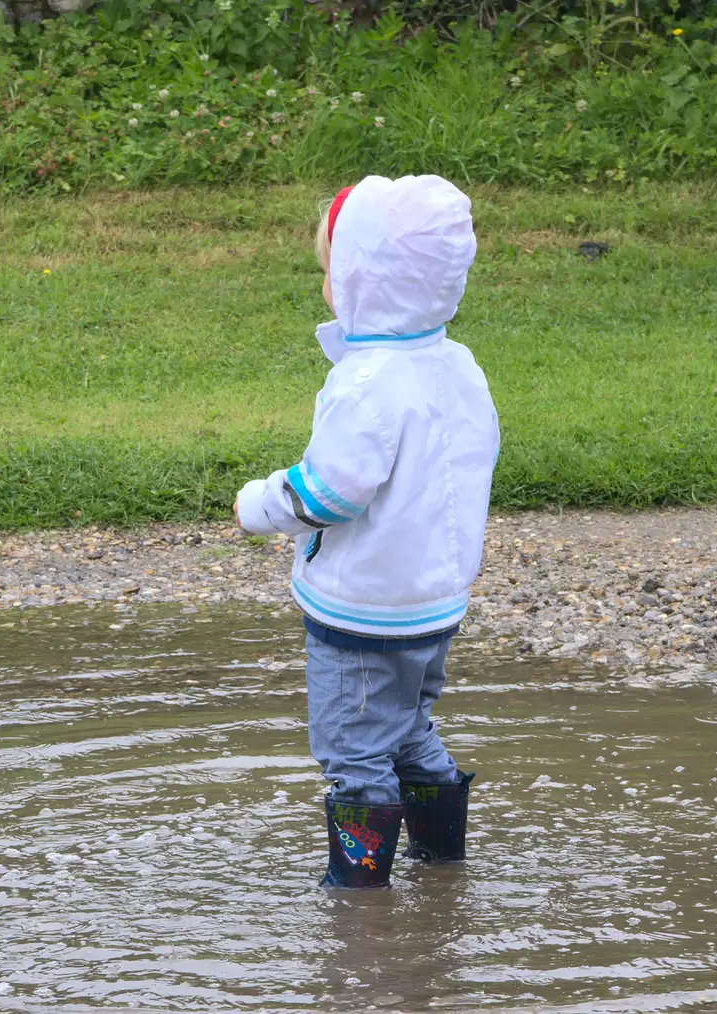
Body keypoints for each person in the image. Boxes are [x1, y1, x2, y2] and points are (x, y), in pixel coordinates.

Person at [234, 174, 499, 889]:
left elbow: (327, 492)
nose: (326, 283)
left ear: (359, 278)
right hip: (432, 604)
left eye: (330, 269)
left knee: (354, 751)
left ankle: (360, 905)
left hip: (361, 613)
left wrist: (260, 503)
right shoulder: (458, 368)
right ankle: (443, 865)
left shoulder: (368, 383)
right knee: (408, 727)